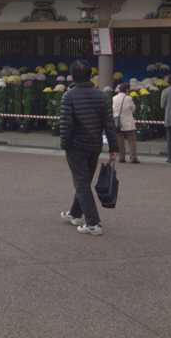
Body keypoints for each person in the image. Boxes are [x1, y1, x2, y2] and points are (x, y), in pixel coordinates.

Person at [59, 59, 119, 236]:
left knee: (82, 183)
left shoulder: (68, 96)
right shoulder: (101, 95)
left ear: (72, 76)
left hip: (76, 146)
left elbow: (66, 125)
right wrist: (114, 147)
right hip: (94, 145)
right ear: (91, 75)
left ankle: (93, 222)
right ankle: (75, 213)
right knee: (84, 181)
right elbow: (109, 123)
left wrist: (65, 145)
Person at [113, 83, 139, 164]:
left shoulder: (114, 98)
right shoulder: (128, 98)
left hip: (118, 122)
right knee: (131, 139)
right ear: (127, 90)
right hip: (128, 122)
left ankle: (121, 158)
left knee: (120, 140)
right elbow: (133, 109)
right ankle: (133, 157)